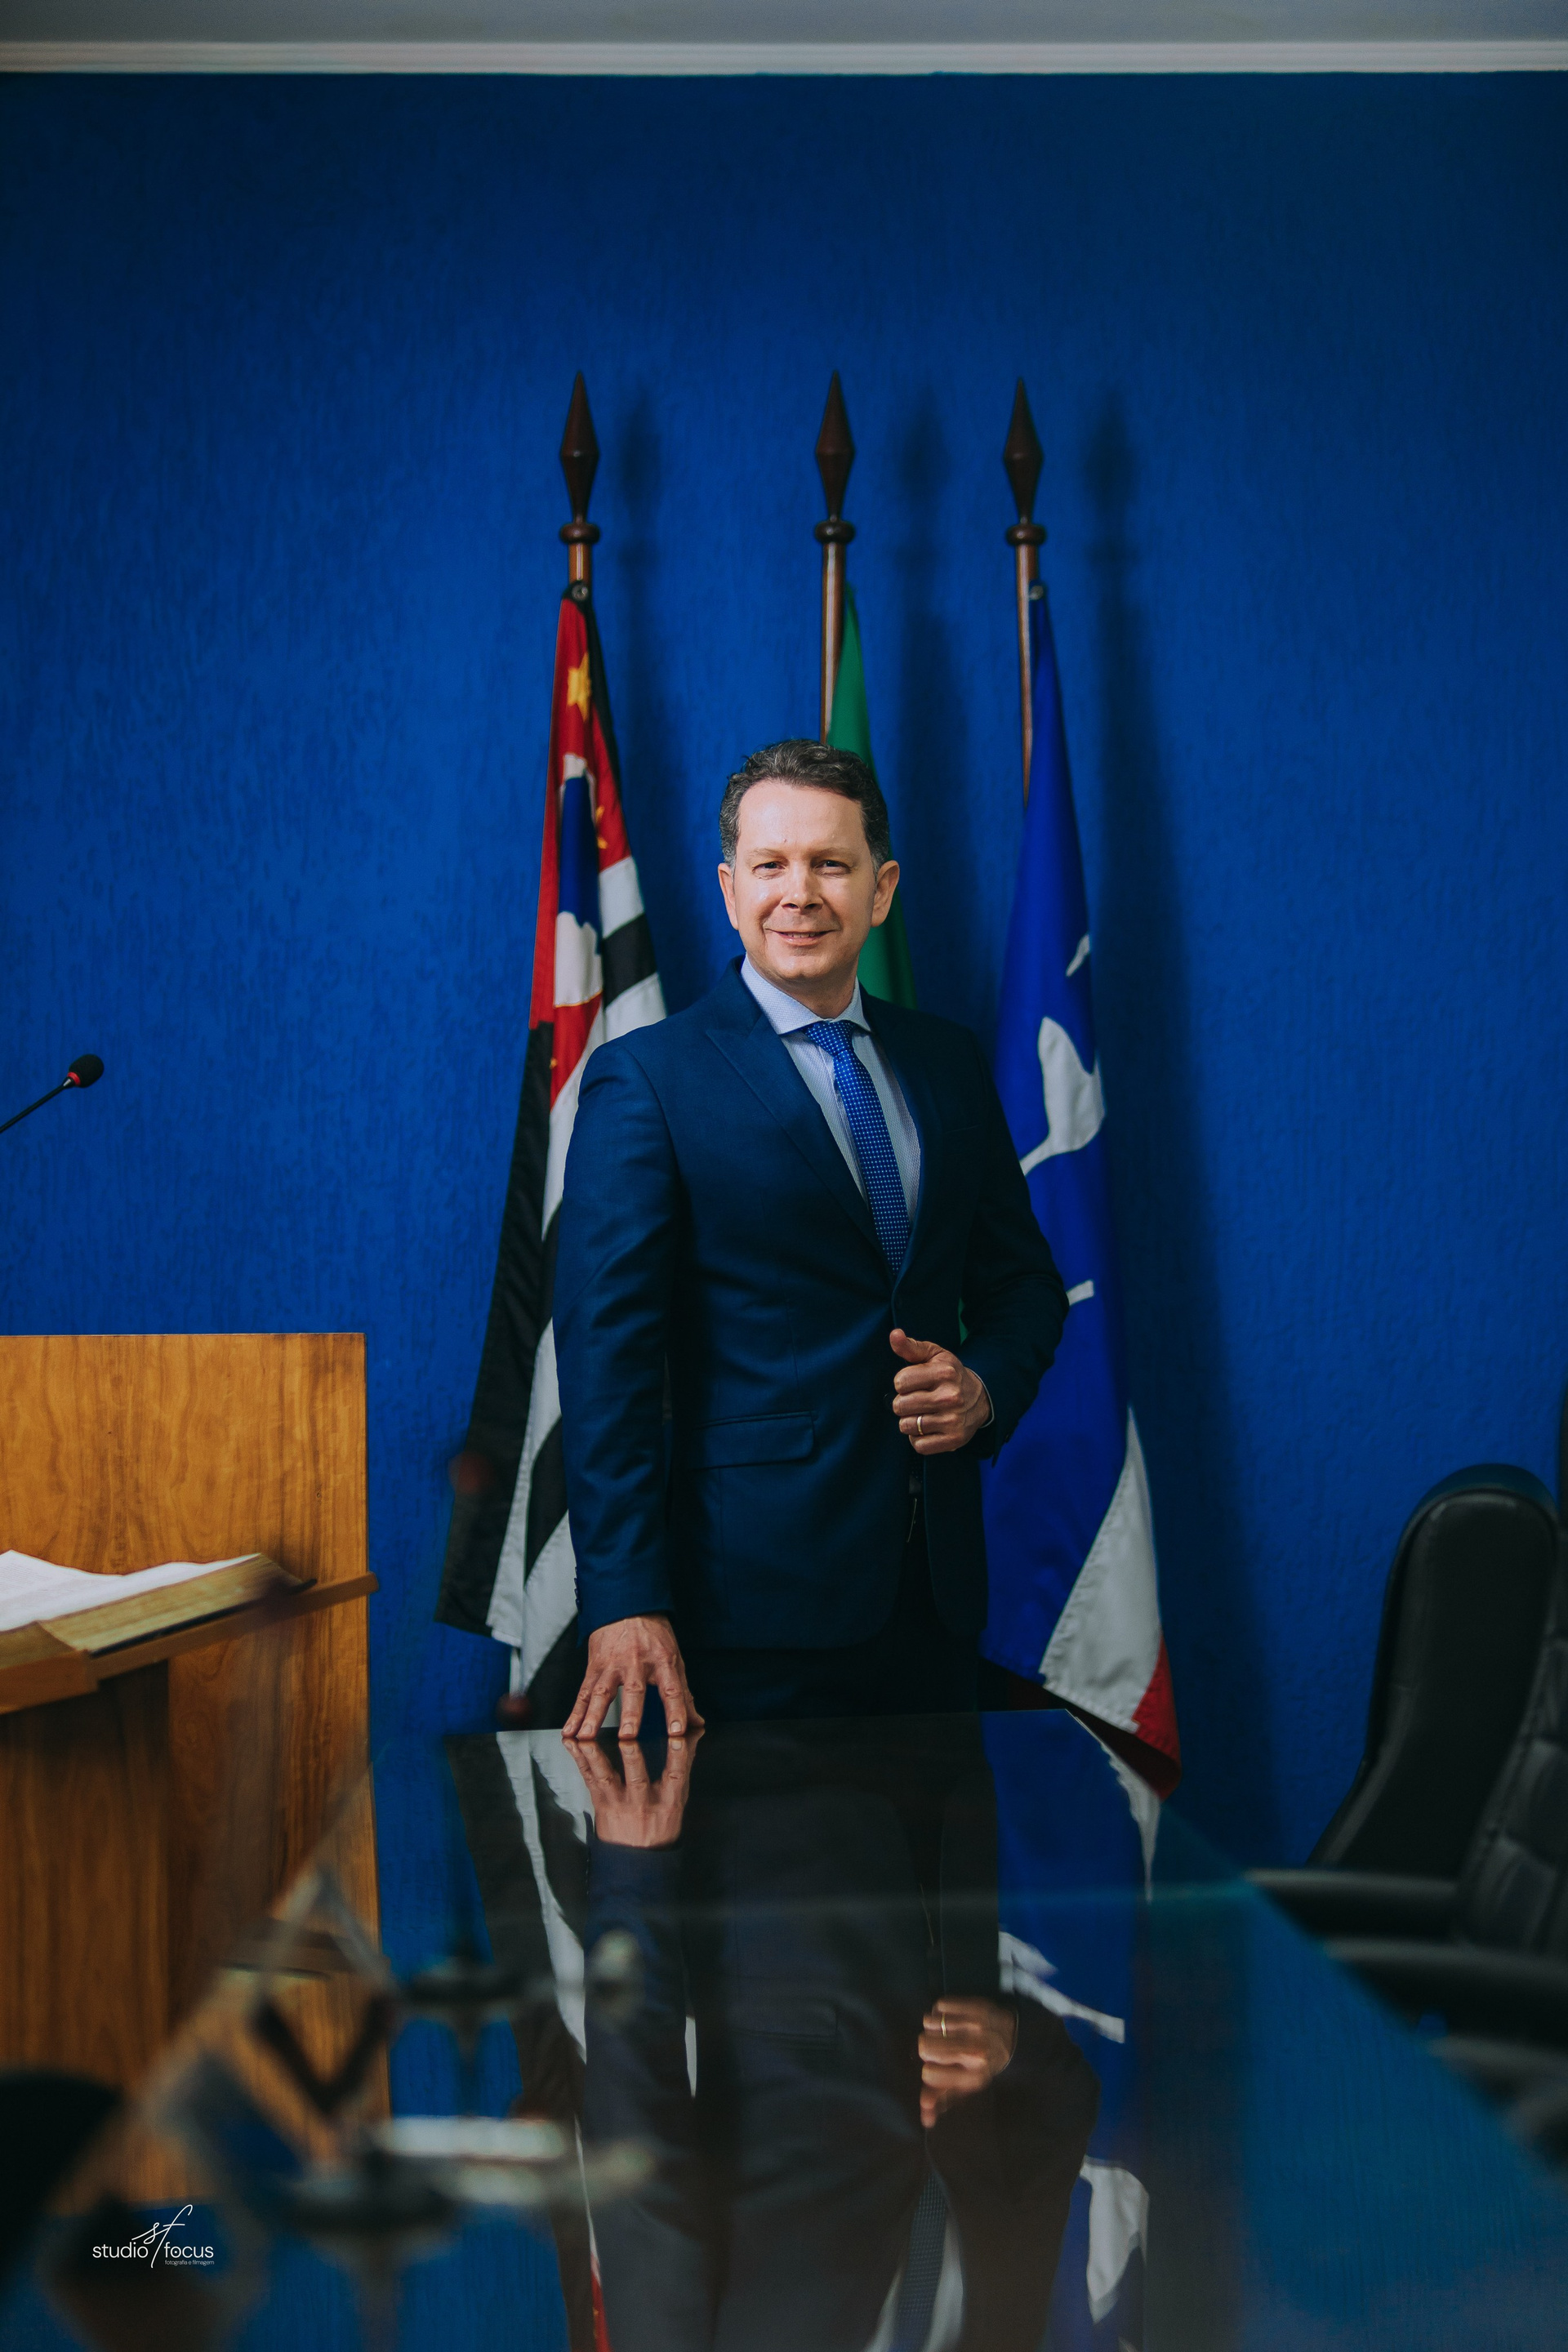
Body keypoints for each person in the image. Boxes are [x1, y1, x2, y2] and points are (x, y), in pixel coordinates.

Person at [556, 738, 1068, 1738]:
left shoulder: (949, 1063)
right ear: (729, 889)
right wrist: (622, 1597)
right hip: (750, 1614)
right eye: (771, 866)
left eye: (831, 864)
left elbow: (1025, 1289)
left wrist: (985, 1386)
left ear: (881, 890)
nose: (800, 893)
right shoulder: (648, 1081)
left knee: (950, 1846)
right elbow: (607, 1360)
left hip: (938, 1601)